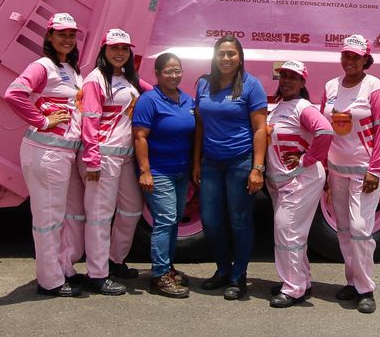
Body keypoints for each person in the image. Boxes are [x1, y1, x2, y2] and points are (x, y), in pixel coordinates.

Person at [4, 12, 85, 297]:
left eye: (71, 34)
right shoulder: (42, 66)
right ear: (49, 36)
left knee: (68, 216)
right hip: (46, 153)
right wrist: (42, 121)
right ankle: (50, 281)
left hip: (65, 155)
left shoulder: (71, 69)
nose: (67, 38)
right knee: (48, 218)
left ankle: (64, 268)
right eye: (61, 33)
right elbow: (14, 93)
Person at [192, 36, 268, 300]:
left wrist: (257, 168)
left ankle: (239, 276)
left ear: (239, 57)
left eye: (231, 54)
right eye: (221, 54)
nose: (226, 59)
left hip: (240, 161)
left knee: (240, 221)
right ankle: (223, 269)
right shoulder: (203, 84)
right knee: (211, 221)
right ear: (214, 56)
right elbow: (200, 126)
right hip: (211, 163)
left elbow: (260, 129)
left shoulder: (251, 85)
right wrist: (196, 161)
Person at [76, 28, 148, 296]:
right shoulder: (96, 80)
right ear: (103, 50)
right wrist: (92, 159)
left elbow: (150, 93)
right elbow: (90, 120)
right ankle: (97, 274)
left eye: (124, 49)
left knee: (131, 209)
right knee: (99, 217)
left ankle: (114, 259)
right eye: (114, 48)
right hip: (102, 157)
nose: (119, 53)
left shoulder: (128, 79)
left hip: (124, 157)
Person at [322, 34, 380, 315]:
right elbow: (323, 128)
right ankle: (352, 281)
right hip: (337, 169)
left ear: (366, 60)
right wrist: (325, 170)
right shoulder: (329, 86)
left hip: (365, 171)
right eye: (345, 55)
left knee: (361, 230)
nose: (349, 61)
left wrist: (376, 170)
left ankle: (366, 289)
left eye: (355, 56)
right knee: (343, 228)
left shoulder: (375, 88)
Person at [266, 60, 334, 308]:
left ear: (303, 82)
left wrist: (307, 159)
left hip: (301, 180)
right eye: (283, 76)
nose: (286, 81)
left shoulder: (303, 107)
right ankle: (301, 281)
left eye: (293, 77)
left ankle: (293, 289)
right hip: (282, 182)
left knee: (287, 232)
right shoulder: (279, 107)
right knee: (292, 233)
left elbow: (325, 131)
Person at [133, 53, 197, 298]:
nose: (174, 75)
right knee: (165, 220)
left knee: (174, 221)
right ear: (157, 75)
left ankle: (167, 267)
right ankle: (159, 275)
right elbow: (140, 136)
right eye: (168, 71)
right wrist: (145, 171)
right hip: (158, 172)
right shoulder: (149, 100)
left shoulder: (186, 100)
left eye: (177, 70)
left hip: (181, 171)